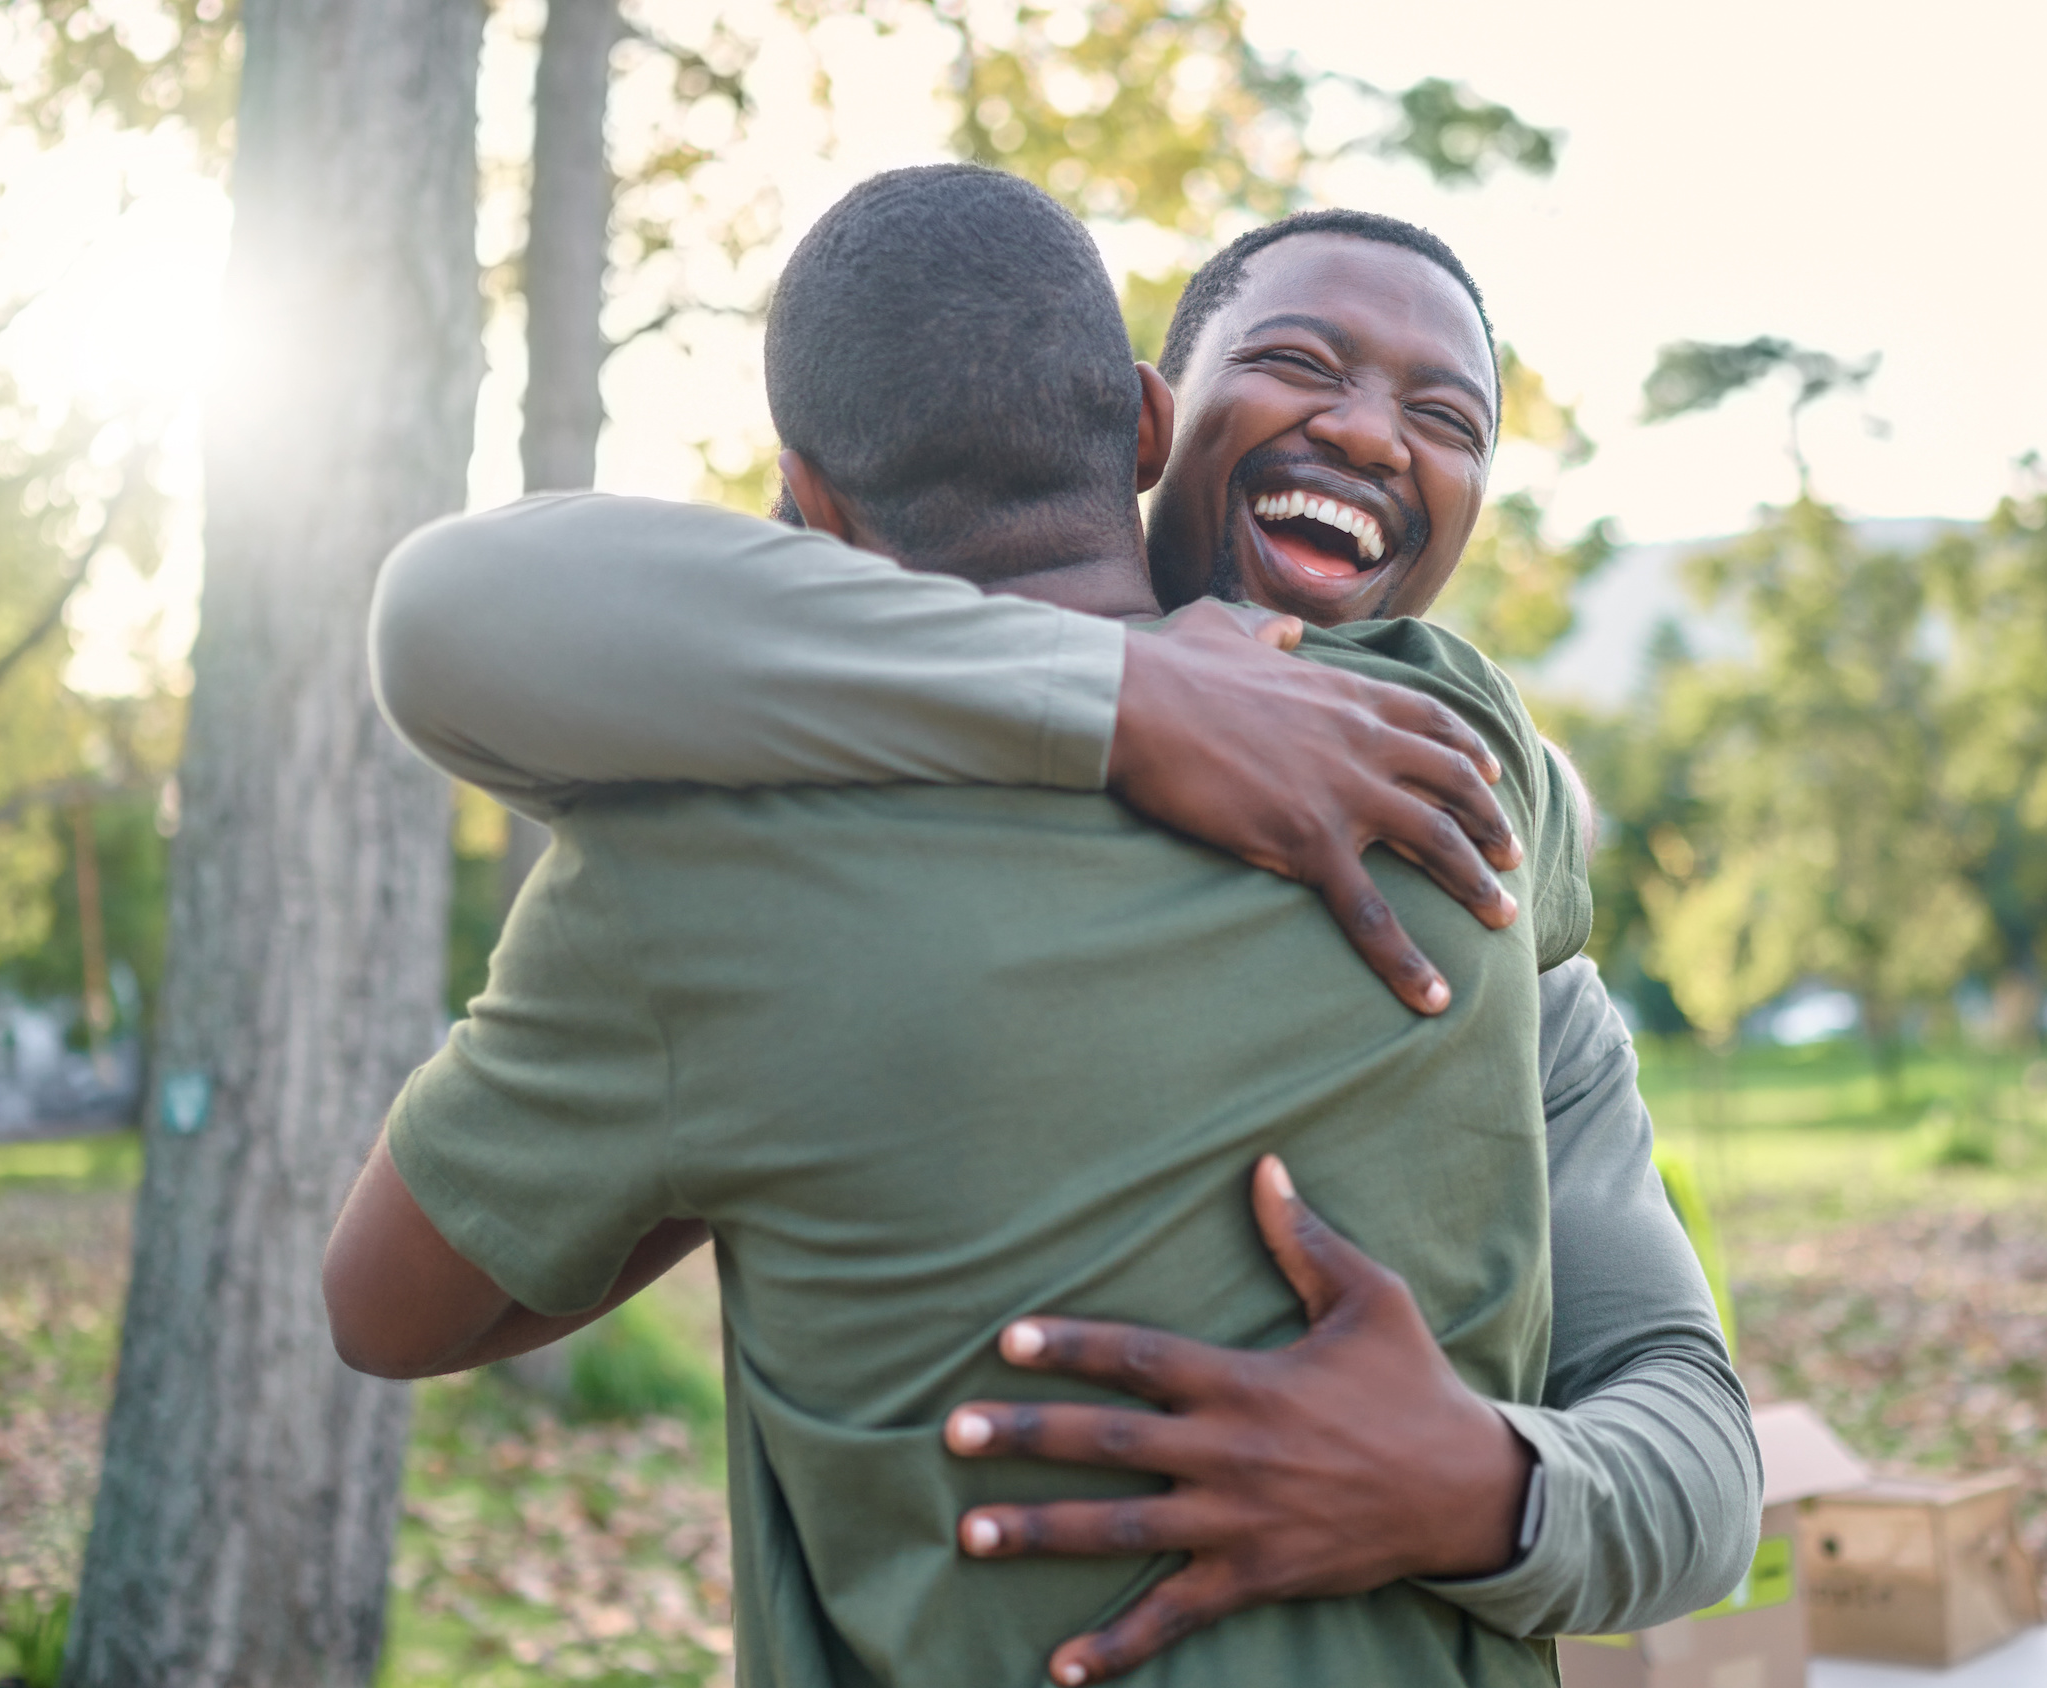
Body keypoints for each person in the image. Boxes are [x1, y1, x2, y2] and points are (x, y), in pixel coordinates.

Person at [326, 165, 1743, 1688]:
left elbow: (1701, 1465)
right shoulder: (1470, 748)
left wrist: (1476, 1487)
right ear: (1151, 425)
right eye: (1298, 364)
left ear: (809, 501)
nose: (1368, 432)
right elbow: (460, 616)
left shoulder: (1471, 809)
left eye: (1448, 419)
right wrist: (1119, 699)